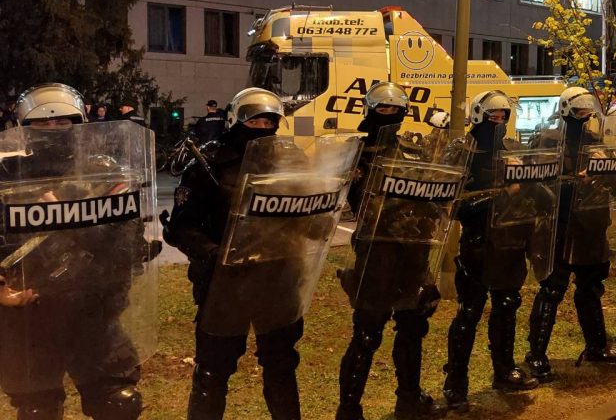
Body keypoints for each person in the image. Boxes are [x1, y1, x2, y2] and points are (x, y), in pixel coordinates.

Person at [0, 83, 154, 420]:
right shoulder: (6, 175)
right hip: (30, 316)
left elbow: (127, 243)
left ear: (81, 123)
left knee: (118, 402)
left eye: (63, 121)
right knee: (37, 409)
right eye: (42, 123)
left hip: (92, 309)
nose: (53, 130)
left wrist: (74, 220)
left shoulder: (104, 174)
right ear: (24, 128)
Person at [165, 87, 305, 419]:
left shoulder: (291, 160)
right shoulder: (208, 164)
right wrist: (213, 253)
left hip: (277, 279)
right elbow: (182, 226)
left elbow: (306, 214)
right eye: (255, 120)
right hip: (225, 284)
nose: (264, 127)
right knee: (213, 369)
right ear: (236, 121)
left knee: (282, 364)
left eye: (271, 121)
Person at [336, 82, 447, 420]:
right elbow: (351, 199)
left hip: (414, 253)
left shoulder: (410, 150)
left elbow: (431, 191)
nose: (389, 115)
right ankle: (349, 410)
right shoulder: (354, 152)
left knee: (413, 329)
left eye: (395, 109)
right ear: (369, 110)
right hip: (377, 255)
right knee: (367, 334)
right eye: (382, 109)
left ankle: (409, 399)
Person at [441, 91, 541, 412]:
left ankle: (504, 370)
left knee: (508, 305)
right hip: (476, 243)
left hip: (509, 242)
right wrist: (497, 196)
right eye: (493, 115)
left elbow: (532, 190)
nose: (498, 121)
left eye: (503, 116)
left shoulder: (512, 150)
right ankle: (455, 383)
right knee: (469, 311)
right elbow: (451, 203)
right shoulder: (461, 150)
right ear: (479, 113)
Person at [524, 87, 616, 383]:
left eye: (587, 111)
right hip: (559, 226)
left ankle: (596, 346)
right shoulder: (547, 141)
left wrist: (606, 172)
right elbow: (533, 184)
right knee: (552, 290)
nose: (584, 116)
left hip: (591, 225)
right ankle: (536, 354)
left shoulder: (596, 143)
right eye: (579, 111)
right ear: (566, 110)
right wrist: (570, 184)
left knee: (591, 287)